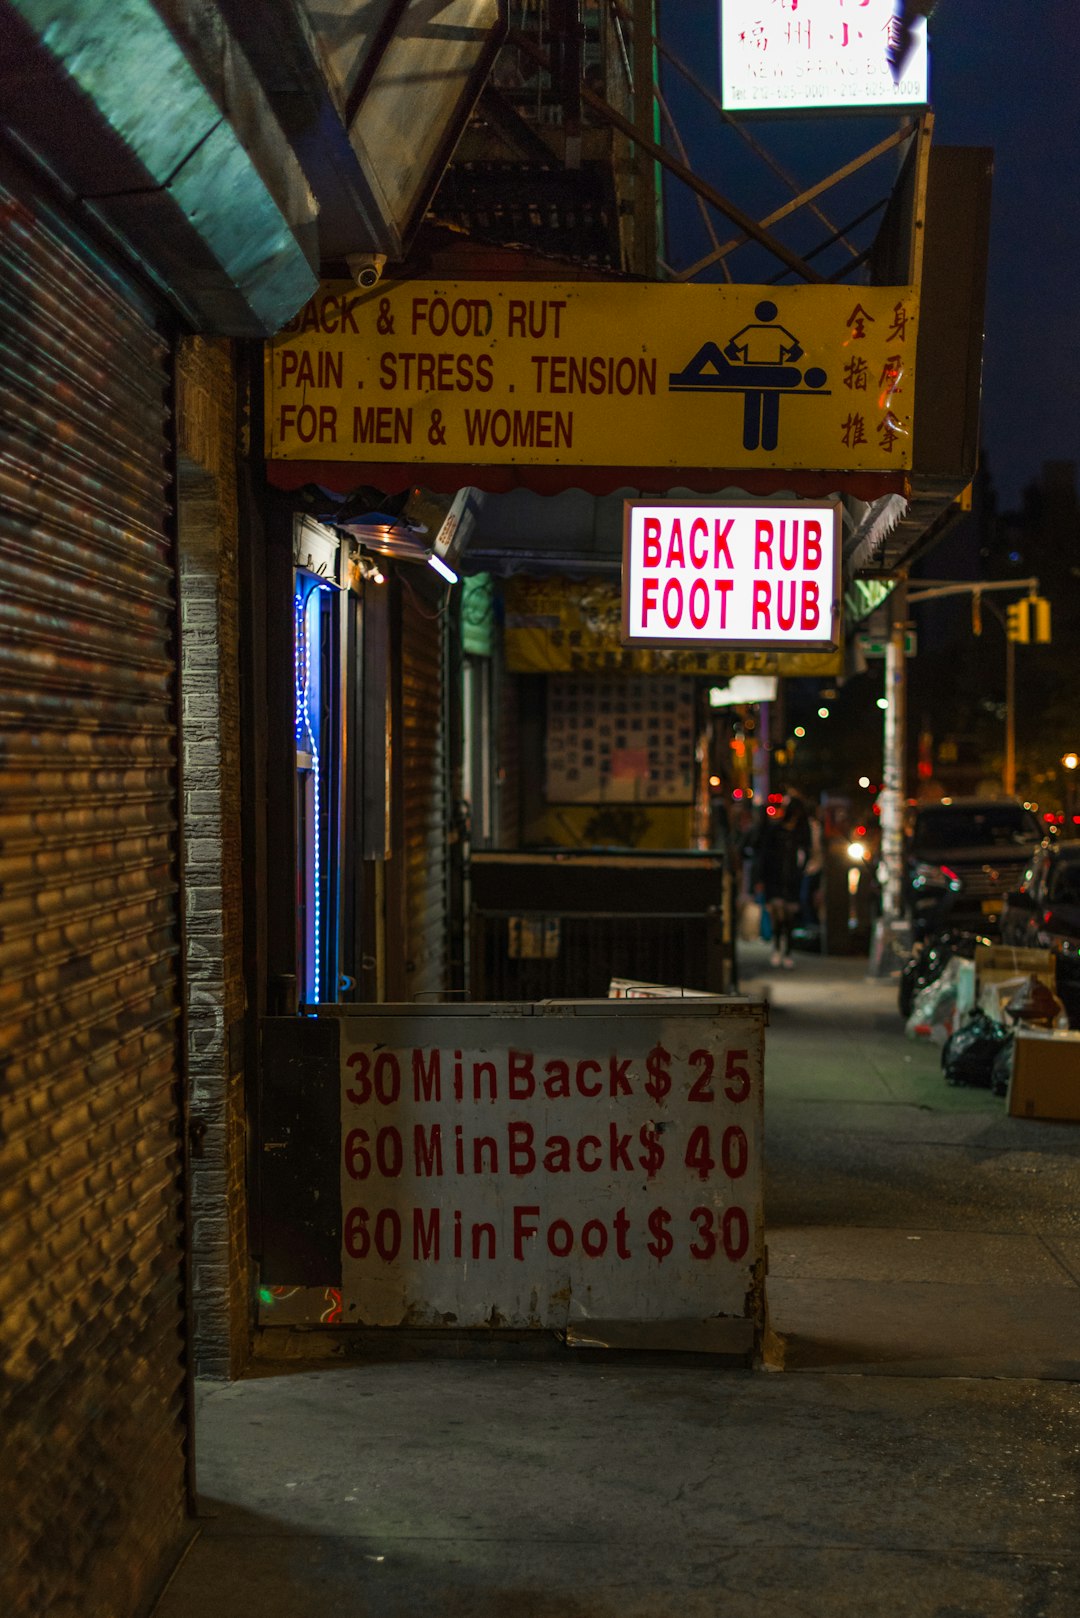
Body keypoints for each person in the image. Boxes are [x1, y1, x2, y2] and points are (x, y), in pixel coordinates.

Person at [752, 793, 812, 968]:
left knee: (788, 918)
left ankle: (783, 951)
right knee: (780, 917)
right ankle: (780, 950)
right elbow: (765, 855)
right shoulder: (780, 832)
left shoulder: (797, 833)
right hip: (778, 879)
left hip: (789, 879)